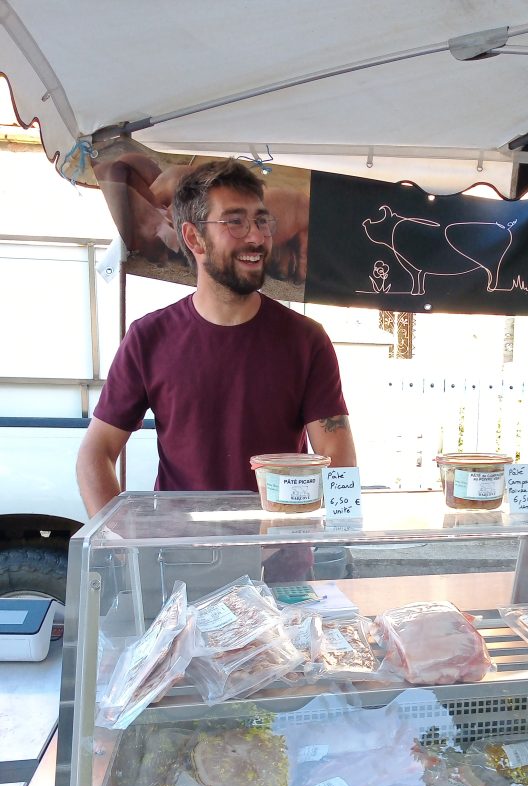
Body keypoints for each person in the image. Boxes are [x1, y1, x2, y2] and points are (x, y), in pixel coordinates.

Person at [76, 158, 356, 518]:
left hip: (280, 563)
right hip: (181, 563)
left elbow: (338, 461)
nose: (256, 236)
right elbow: (95, 453)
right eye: (235, 222)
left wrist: (338, 540)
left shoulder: (306, 340)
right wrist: (116, 543)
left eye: (261, 220)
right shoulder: (149, 338)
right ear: (194, 237)